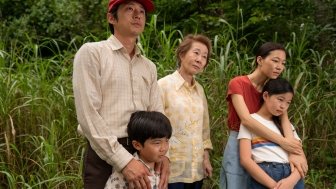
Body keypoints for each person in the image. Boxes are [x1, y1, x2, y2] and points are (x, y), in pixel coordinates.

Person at [72, 0, 170, 188]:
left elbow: (157, 114)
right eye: (129, 9)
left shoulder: (148, 66)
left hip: (145, 151)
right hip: (104, 154)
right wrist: (123, 161)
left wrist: (164, 154)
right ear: (111, 18)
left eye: (142, 11)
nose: (137, 15)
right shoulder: (92, 53)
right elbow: (88, 115)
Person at [219, 42, 308, 189]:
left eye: (283, 63)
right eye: (275, 60)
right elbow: (246, 121)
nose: (279, 66)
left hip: (267, 147)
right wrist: (283, 142)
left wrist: (293, 151)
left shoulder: (273, 91)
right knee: (236, 184)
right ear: (260, 60)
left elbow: (283, 118)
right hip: (241, 140)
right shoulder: (238, 83)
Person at [158, 34, 213, 189]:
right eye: (196, 53)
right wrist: (162, 158)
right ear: (182, 54)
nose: (199, 59)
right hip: (172, 169)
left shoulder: (199, 90)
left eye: (204, 57)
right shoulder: (163, 86)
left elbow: (204, 129)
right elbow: (156, 129)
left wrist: (206, 158)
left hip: (196, 169)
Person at [239, 78, 305, 189]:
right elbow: (245, 160)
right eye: (280, 99)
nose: (283, 106)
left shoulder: (287, 127)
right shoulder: (251, 122)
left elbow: (302, 161)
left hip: (292, 179)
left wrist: (291, 181)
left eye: (288, 102)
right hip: (264, 178)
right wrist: (274, 186)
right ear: (265, 96)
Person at [105, 111, 172, 189]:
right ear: (137, 145)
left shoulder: (162, 168)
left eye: (166, 141)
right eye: (157, 143)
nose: (164, 148)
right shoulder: (125, 174)